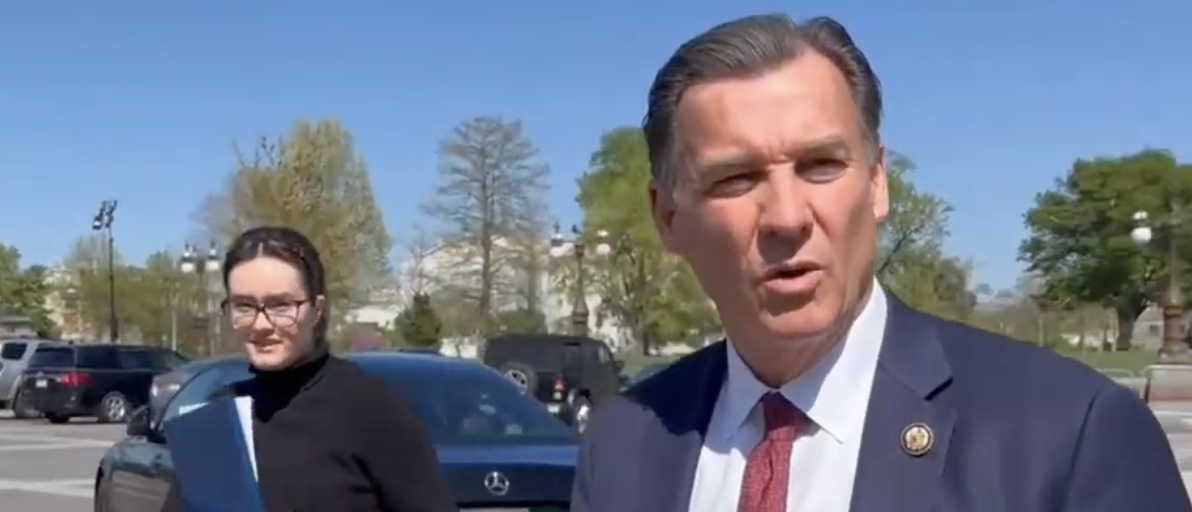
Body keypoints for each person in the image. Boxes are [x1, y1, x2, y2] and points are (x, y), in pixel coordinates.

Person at [572, 13, 1191, 512]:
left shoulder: (1071, 433)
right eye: (736, 178)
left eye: (821, 165)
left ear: (876, 184)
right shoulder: (624, 441)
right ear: (668, 216)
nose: (787, 217)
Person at [161, 226, 457, 512]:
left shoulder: (371, 407)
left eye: (281, 305)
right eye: (244, 306)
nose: (260, 324)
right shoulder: (220, 416)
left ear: (316, 310)